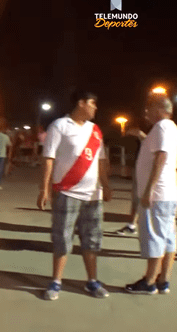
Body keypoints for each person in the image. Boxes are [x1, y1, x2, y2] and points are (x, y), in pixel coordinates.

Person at [37, 90, 112, 301]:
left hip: (93, 196)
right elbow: (48, 158)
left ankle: (92, 281)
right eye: (92, 103)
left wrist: (105, 185)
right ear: (81, 103)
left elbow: (101, 161)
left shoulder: (95, 130)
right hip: (67, 192)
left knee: (92, 239)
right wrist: (44, 189)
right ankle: (56, 281)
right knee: (62, 238)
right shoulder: (60, 126)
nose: (95, 108)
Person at [125, 95, 177, 295]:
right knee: (168, 238)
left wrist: (148, 190)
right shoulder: (170, 128)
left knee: (155, 237)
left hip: (157, 194)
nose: (145, 113)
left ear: (158, 108)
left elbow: (162, 157)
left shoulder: (162, 127)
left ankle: (149, 282)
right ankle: (163, 280)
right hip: (167, 193)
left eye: (148, 109)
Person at [115, 127, 147, 235]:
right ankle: (131, 225)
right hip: (141, 173)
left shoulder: (162, 132)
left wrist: (140, 134)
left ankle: (133, 225)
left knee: (140, 200)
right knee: (136, 200)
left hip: (148, 176)